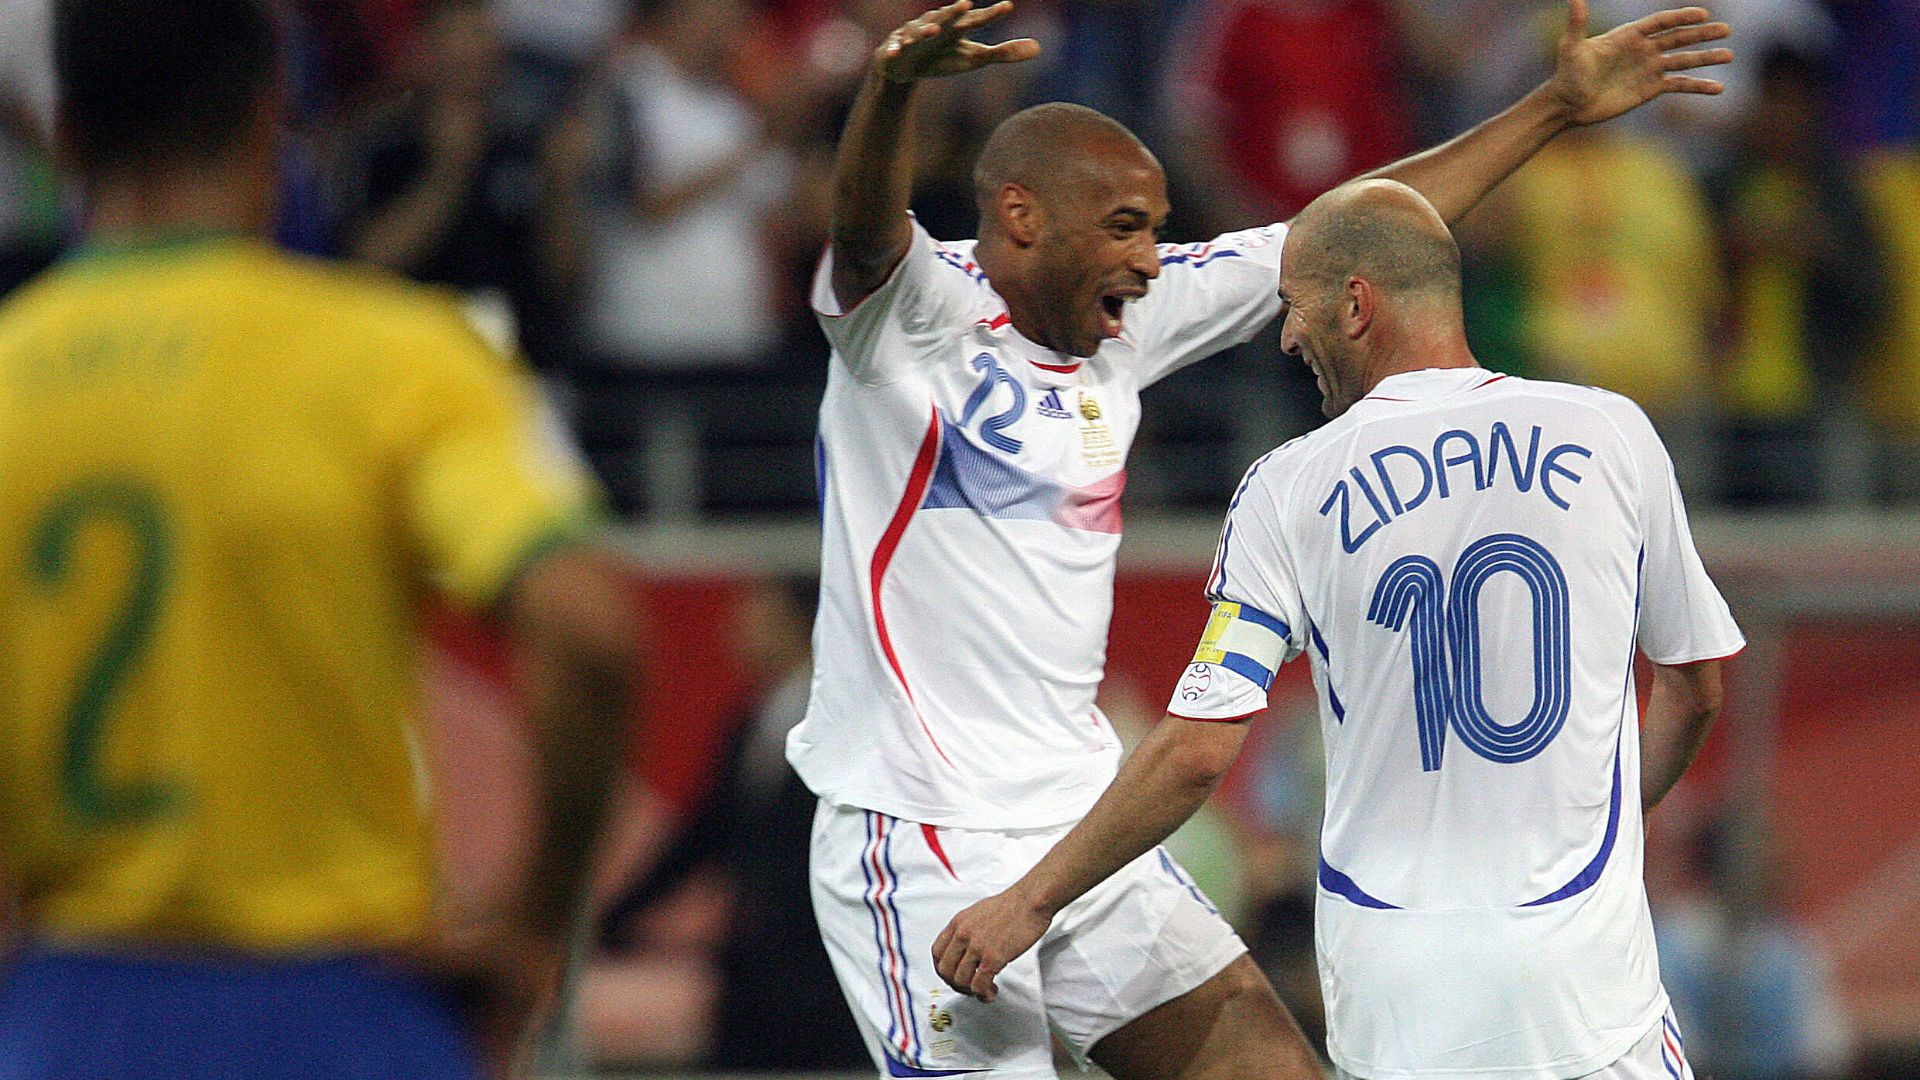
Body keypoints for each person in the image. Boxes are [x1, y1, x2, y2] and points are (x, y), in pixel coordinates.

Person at [796, 0, 1732, 1076]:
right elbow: (866, 231)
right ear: (1020, 219)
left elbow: (1357, 238)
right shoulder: (908, 317)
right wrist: (891, 92)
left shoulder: (1129, 324)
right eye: (1124, 226)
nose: (1152, 259)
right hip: (917, 831)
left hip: (1072, 819)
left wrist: (1554, 109)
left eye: (1155, 227)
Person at [0, 1, 639, 1077]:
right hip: (343, 1005)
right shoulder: (397, 356)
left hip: (73, 1006)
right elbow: (587, 632)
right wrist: (533, 925)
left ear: (63, 136)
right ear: (269, 129)